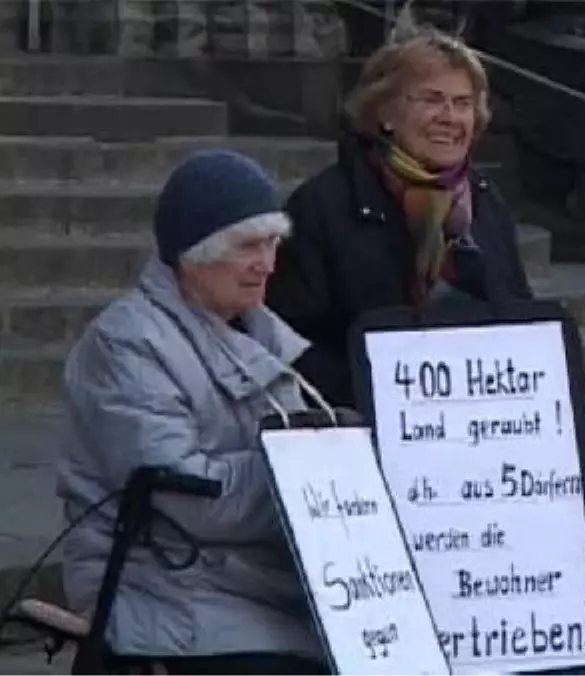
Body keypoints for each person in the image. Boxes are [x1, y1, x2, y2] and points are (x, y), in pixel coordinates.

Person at [58, 150, 327, 676]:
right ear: (194, 253)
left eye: (272, 242)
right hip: (162, 588)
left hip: (251, 585)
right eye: (248, 245)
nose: (267, 264)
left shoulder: (262, 334)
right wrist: (306, 467)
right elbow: (190, 501)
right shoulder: (126, 344)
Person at [267, 26, 533, 408]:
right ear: (385, 113)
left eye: (463, 103)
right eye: (432, 100)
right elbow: (291, 341)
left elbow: (520, 316)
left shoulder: (486, 203)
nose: (450, 117)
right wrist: (377, 397)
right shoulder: (321, 206)